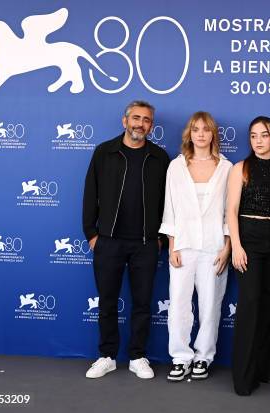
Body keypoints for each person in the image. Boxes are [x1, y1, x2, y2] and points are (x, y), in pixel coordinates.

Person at [82, 100, 170, 379]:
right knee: (107, 301)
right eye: (135, 118)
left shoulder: (159, 157)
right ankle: (106, 355)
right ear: (124, 121)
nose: (140, 124)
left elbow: (169, 202)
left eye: (146, 120)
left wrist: (161, 239)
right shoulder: (104, 152)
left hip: (145, 243)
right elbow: (89, 194)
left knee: (142, 303)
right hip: (108, 241)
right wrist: (91, 234)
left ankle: (137, 356)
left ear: (151, 126)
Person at [160, 111, 232, 382]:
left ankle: (203, 356)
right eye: (195, 129)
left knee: (210, 304)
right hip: (183, 245)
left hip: (214, 247)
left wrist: (227, 247)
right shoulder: (175, 167)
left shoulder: (227, 168)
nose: (200, 134)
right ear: (189, 134)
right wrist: (172, 246)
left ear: (213, 133)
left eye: (206, 129)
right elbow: (170, 209)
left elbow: (229, 212)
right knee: (178, 302)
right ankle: (180, 357)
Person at [226, 116, 270, 395]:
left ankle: (265, 370)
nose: (258, 141)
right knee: (250, 304)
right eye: (253, 136)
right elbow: (231, 211)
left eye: (263, 135)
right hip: (248, 240)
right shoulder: (240, 168)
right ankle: (244, 377)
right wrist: (237, 247)